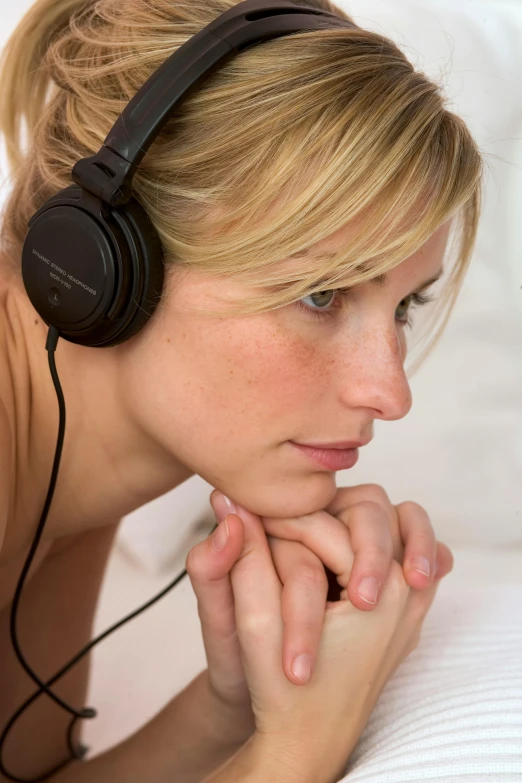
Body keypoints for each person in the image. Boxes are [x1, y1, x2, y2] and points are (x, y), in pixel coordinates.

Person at [0, 0, 482, 780]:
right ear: (107, 264)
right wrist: (296, 750)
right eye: (322, 293)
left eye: (404, 306)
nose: (390, 393)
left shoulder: (64, 460)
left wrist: (230, 706)